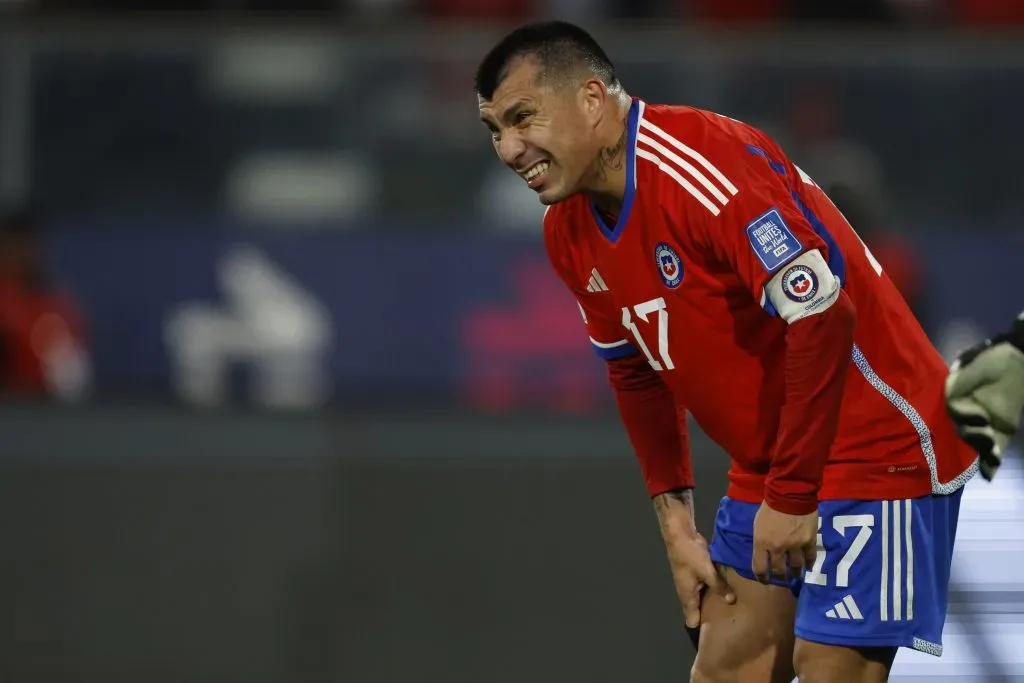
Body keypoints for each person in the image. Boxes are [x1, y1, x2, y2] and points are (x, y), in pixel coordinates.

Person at [474, 21, 978, 683]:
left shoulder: (701, 164)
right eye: (494, 130)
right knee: (726, 669)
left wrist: (794, 499)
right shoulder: (566, 230)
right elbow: (633, 368)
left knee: (831, 670)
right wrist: (676, 524)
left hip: (879, 445)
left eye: (522, 118)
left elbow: (823, 314)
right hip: (773, 460)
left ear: (592, 98)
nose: (509, 148)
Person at [945, 312, 1024, 480]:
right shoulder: (1003, 357)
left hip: (1003, 425)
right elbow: (958, 388)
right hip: (985, 419)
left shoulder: (1005, 358)